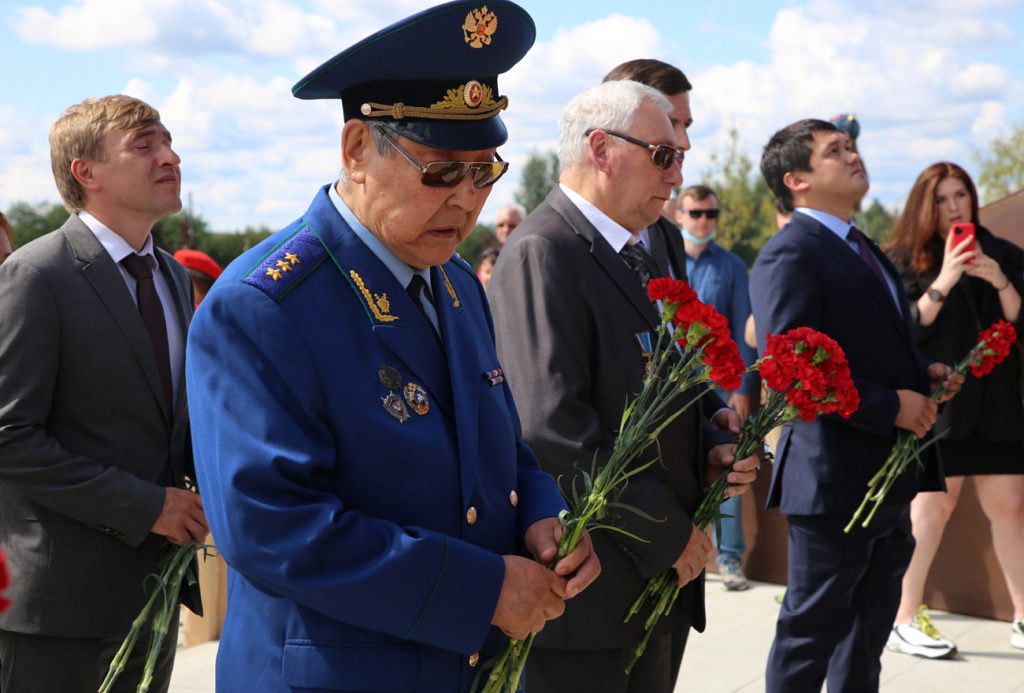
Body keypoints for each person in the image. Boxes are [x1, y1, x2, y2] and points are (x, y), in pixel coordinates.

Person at [184, 3, 599, 692]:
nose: (466, 200)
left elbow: (494, 445)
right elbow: (270, 527)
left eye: (484, 172)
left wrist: (541, 510)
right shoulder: (264, 305)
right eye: (441, 171)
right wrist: (480, 590)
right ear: (357, 150)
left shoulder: (456, 282)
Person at [488, 78, 758, 693]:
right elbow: (551, 429)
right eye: (664, 155)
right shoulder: (542, 251)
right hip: (592, 599)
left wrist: (712, 430)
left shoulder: (645, 243)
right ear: (602, 149)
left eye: (680, 156)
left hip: (655, 586)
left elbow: (659, 372)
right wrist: (665, 533)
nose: (677, 174)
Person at [0, 95, 206, 693]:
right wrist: (148, 506)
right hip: (59, 612)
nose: (169, 157)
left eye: (168, 142)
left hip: (152, 595)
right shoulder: (37, 274)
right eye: (144, 145)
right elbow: (10, 437)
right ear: (85, 172)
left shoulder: (171, 275)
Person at [751, 118, 960, 693]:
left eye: (851, 146)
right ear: (796, 180)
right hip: (834, 481)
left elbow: (873, 346)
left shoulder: (861, 245)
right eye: (834, 150)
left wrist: (924, 374)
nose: (852, 155)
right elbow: (791, 369)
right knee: (809, 638)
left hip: (888, 477)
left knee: (866, 644)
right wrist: (889, 405)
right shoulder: (790, 252)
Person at [884, 162, 1024, 657]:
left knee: (1011, 506)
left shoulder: (1002, 253)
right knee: (932, 507)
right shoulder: (904, 260)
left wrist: (1001, 281)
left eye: (960, 195)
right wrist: (944, 278)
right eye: (941, 199)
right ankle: (904, 616)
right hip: (938, 403)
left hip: (996, 403)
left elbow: (1019, 323)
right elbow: (905, 329)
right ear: (925, 206)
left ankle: (1022, 615)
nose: (953, 207)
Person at [676, 184, 758, 591]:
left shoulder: (732, 265)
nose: (704, 220)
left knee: (731, 468)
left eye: (711, 213)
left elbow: (744, 329)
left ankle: (729, 559)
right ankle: (680, 554)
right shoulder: (666, 261)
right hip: (673, 387)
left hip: (720, 388)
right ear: (679, 215)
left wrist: (741, 388)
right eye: (696, 213)